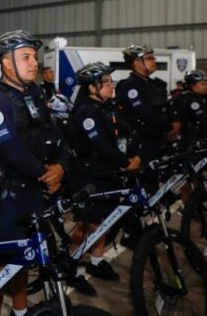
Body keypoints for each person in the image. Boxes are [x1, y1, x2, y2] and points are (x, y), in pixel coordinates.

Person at [0, 30, 69, 316]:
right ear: (6, 63)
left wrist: (61, 166)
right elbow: (11, 149)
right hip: (5, 197)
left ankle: (20, 310)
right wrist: (46, 174)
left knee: (25, 256)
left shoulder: (33, 96)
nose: (34, 63)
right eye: (25, 57)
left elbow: (58, 135)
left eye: (34, 57)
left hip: (31, 191)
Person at [68, 62, 141, 295]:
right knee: (87, 224)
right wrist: (126, 163)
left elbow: (125, 132)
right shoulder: (86, 111)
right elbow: (99, 142)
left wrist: (134, 153)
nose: (111, 85)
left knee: (103, 222)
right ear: (92, 88)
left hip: (107, 173)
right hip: (89, 175)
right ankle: (74, 268)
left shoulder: (107, 107)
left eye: (111, 81)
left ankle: (97, 260)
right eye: (106, 82)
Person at [115, 44, 180, 165]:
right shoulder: (130, 86)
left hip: (157, 139)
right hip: (141, 143)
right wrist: (169, 128)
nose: (154, 61)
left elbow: (165, 107)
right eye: (149, 58)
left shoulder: (154, 85)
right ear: (137, 62)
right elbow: (145, 112)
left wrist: (175, 122)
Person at [172, 70, 207, 146]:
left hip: (205, 138)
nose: (205, 87)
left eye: (206, 84)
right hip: (193, 141)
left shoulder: (205, 98)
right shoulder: (189, 100)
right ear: (192, 86)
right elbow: (203, 118)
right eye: (202, 84)